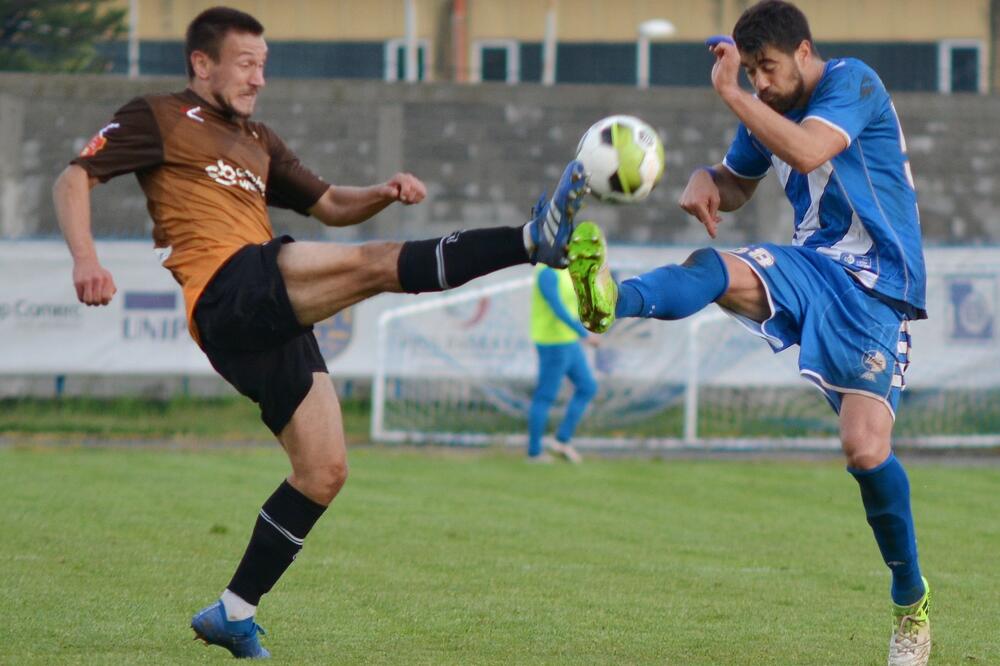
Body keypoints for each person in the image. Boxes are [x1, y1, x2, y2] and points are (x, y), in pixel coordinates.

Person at [52, 6, 587, 659]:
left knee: (324, 470)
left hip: (259, 308)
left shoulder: (257, 139)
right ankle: (532, 238)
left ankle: (233, 610)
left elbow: (331, 204)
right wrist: (86, 258)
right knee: (375, 265)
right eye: (245, 64)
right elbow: (75, 175)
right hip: (226, 287)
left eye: (264, 66)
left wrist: (382, 192)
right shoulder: (157, 116)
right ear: (202, 63)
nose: (258, 78)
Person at [566, 2, 931, 664]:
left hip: (880, 287)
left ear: (803, 52)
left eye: (768, 68)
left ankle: (911, 603)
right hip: (813, 268)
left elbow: (812, 148)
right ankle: (610, 299)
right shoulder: (766, 106)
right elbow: (738, 183)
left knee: (864, 451)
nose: (761, 82)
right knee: (715, 269)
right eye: (751, 71)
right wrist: (709, 180)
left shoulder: (853, 80)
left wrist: (734, 94)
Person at [528, 262, 598, 463]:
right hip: (552, 343)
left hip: (569, 341)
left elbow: (573, 304)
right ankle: (534, 453)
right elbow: (557, 307)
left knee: (587, 387)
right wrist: (583, 334)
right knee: (546, 395)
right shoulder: (546, 272)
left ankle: (561, 439)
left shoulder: (567, 268)